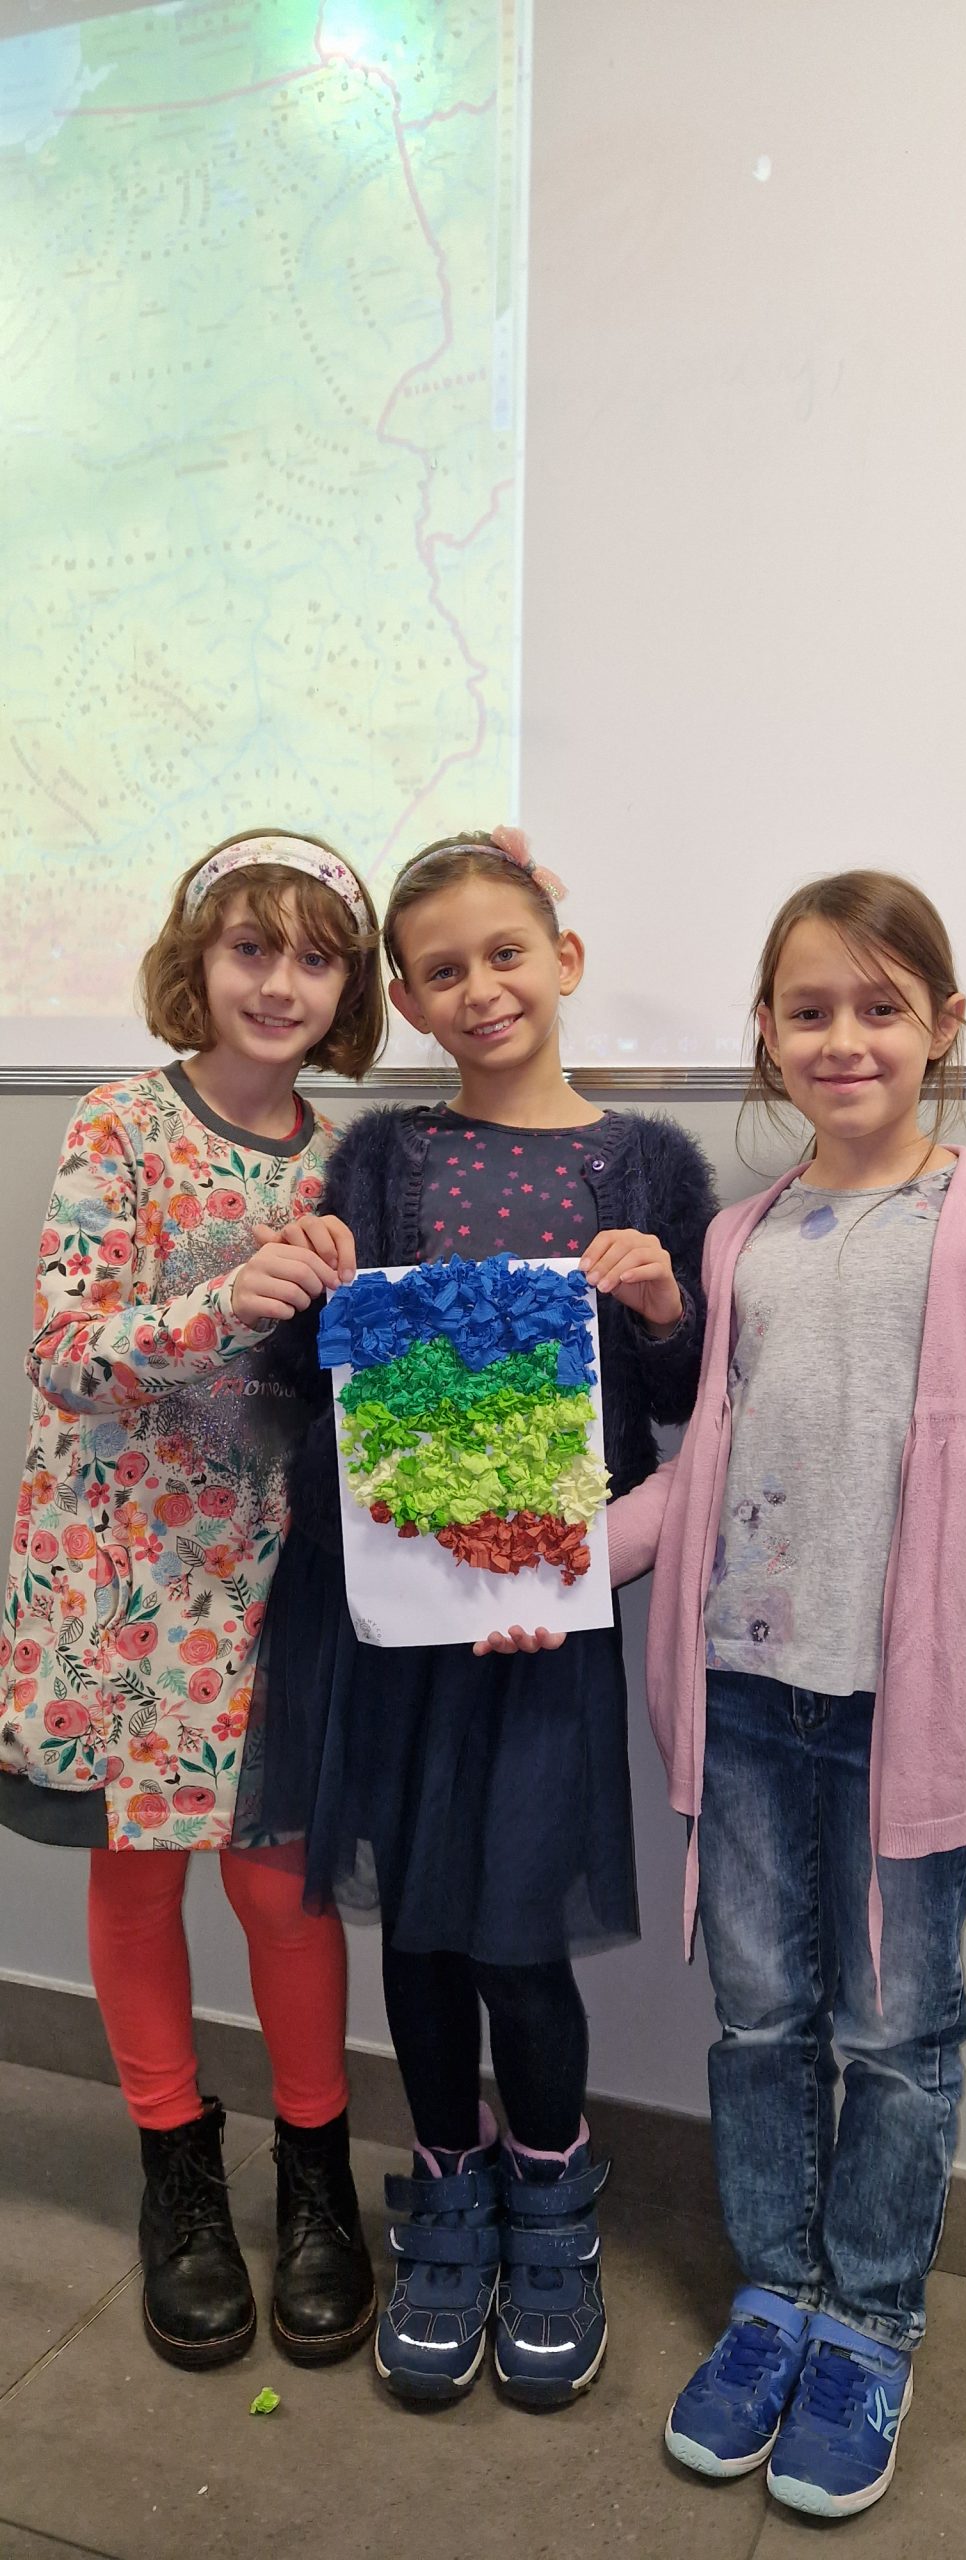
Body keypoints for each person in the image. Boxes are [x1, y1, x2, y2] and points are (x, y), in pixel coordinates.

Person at [605, 869, 966, 2518]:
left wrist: (904, 1510)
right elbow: (704, 1464)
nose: (844, 1039)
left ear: (942, 1026)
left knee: (896, 2032)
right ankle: (777, 2298)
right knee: (761, 2019)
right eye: (809, 1009)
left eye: (882, 1007)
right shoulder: (738, 1238)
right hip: (745, 1694)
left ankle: (870, 2321)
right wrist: (555, 1568)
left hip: (909, 1705)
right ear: (765, 1031)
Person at [250, 826, 716, 2407]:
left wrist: (660, 1304)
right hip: (399, 1623)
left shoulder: (648, 1167)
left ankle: (552, 2202)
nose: (481, 987)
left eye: (506, 953)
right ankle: (446, 2196)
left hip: (545, 1628)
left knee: (520, 1937)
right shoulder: (381, 1163)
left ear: (563, 960)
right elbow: (310, 1386)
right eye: (442, 970)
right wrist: (307, 1286)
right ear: (407, 1000)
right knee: (426, 1936)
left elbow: (680, 1403)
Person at [0, 831, 387, 2371]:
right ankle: (176, 2168)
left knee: (281, 1889)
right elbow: (65, 1356)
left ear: (350, 987)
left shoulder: (350, 1162)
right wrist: (222, 1302)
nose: (280, 982)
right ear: (197, 961)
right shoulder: (117, 1123)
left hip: (275, 1575)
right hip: (125, 1578)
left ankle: (315, 2174)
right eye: (250, 948)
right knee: (139, 1874)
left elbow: (362, 1387)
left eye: (314, 957)